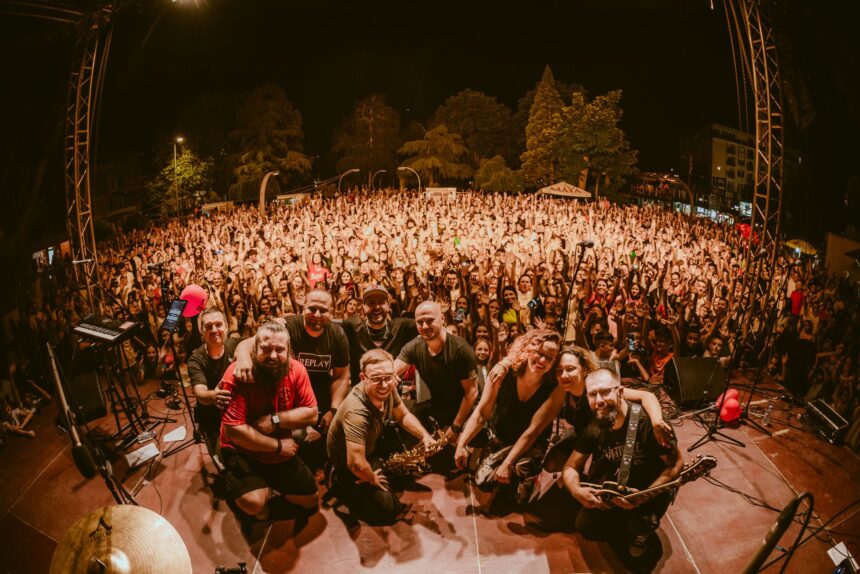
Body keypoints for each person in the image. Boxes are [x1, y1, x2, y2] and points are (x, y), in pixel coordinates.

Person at [562, 368, 683, 566]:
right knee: (586, 527)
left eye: (605, 392)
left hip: (646, 487)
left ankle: (641, 529)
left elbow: (676, 465)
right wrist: (577, 491)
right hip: (618, 485)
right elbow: (570, 466)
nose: (599, 400)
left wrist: (645, 496)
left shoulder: (647, 424)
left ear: (620, 392)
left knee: (641, 523)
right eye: (592, 394)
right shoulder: (595, 425)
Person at [219, 321, 319, 521]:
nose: (273, 356)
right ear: (255, 348)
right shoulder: (238, 374)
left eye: (279, 350)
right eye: (266, 349)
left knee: (311, 501)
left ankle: (266, 486)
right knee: (255, 506)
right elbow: (234, 431)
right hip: (243, 450)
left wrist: (275, 420)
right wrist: (278, 446)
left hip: (279, 448)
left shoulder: (297, 370)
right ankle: (241, 484)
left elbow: (312, 414)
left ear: (288, 350)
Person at [326, 349, 435, 525]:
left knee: (413, 437)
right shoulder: (356, 412)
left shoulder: (388, 388)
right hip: (348, 463)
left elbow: (402, 415)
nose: (384, 384)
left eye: (388, 377)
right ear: (363, 378)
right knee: (387, 508)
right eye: (377, 379)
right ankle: (338, 480)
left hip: (371, 447)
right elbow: (355, 463)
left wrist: (425, 437)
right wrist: (371, 477)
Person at [454, 329, 563, 501]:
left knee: (521, 496)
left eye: (549, 358)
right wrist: (462, 443)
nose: (542, 360)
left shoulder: (555, 387)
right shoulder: (503, 374)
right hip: (502, 438)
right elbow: (482, 412)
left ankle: (524, 473)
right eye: (539, 353)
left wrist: (507, 463)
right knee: (482, 481)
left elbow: (533, 432)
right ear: (528, 349)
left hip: (532, 443)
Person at [395, 301, 479, 445]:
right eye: (420, 322)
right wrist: (389, 376)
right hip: (440, 404)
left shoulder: (460, 349)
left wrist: (456, 426)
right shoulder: (414, 346)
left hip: (468, 407)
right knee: (410, 417)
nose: (424, 326)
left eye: (429, 321)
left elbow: (471, 392)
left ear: (442, 319)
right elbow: (392, 370)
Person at [340, 285, 417, 386]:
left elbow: (430, 324)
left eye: (381, 302)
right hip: (360, 393)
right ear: (363, 307)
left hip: (392, 392)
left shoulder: (401, 327)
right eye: (371, 303)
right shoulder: (351, 327)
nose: (376, 307)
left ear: (388, 306)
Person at [188, 308, 239, 452]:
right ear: (201, 331)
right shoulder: (196, 360)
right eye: (208, 326)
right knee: (223, 456)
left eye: (218, 325)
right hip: (212, 419)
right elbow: (200, 393)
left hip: (236, 413)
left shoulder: (234, 345)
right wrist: (214, 395)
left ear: (227, 326)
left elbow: (252, 341)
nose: (214, 330)